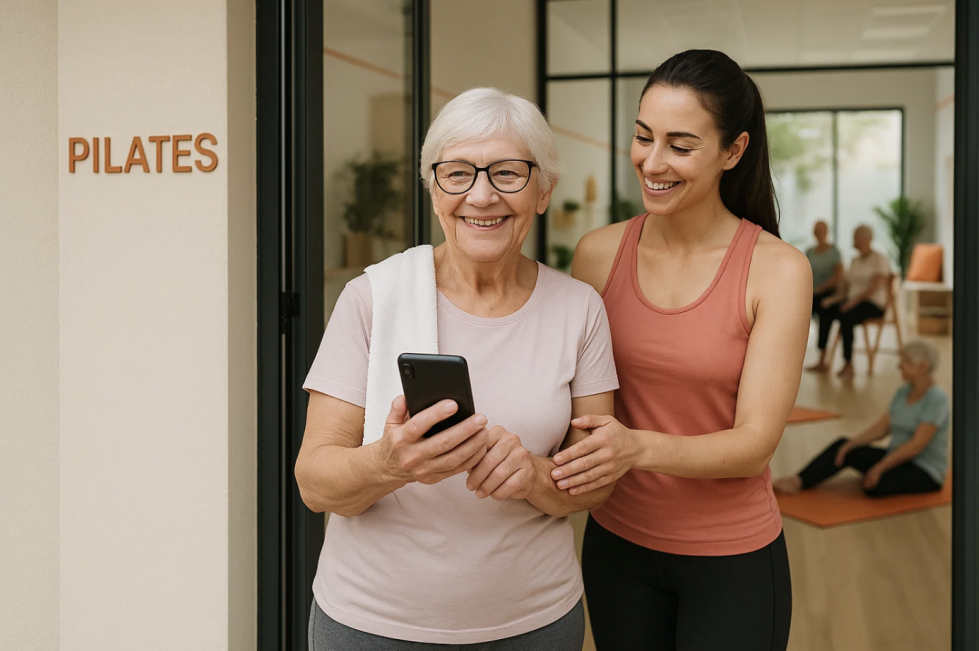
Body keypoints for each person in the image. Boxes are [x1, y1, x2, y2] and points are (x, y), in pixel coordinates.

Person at [295, 88, 619, 650]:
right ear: (433, 189)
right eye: (458, 173)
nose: (482, 195)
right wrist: (389, 462)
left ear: (544, 190)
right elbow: (314, 482)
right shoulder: (372, 298)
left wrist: (533, 476)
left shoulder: (580, 309)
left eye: (508, 173)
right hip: (370, 625)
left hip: (534, 625)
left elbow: (595, 485)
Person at [564, 50, 812, 651]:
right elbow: (573, 405)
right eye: (643, 137)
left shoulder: (777, 270)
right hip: (616, 547)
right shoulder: (596, 254)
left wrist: (635, 447)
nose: (652, 162)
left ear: (733, 150)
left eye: (680, 145)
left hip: (731, 561)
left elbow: (754, 445)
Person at [774, 340, 948, 497]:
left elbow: (916, 445)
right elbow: (881, 429)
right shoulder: (903, 392)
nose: (899, 365)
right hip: (896, 457)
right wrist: (851, 444)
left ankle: (879, 474)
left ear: (922, 366)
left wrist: (880, 467)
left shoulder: (937, 399)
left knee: (874, 486)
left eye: (906, 362)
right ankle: (798, 481)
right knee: (842, 446)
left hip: (924, 469)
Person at [812, 224, 891, 377]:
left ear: (866, 239)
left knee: (846, 317)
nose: (854, 240)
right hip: (852, 301)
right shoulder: (855, 260)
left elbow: (873, 287)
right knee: (825, 310)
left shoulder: (879, 259)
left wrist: (851, 303)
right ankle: (822, 359)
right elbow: (846, 287)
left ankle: (848, 364)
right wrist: (833, 299)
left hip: (873, 304)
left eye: (856, 237)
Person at [804, 220, 843, 369]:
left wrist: (820, 288)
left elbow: (838, 276)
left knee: (825, 314)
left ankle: (822, 359)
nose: (820, 233)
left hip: (828, 294)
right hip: (811, 293)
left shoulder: (834, 252)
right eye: (817, 230)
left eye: (823, 230)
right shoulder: (810, 251)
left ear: (827, 232)